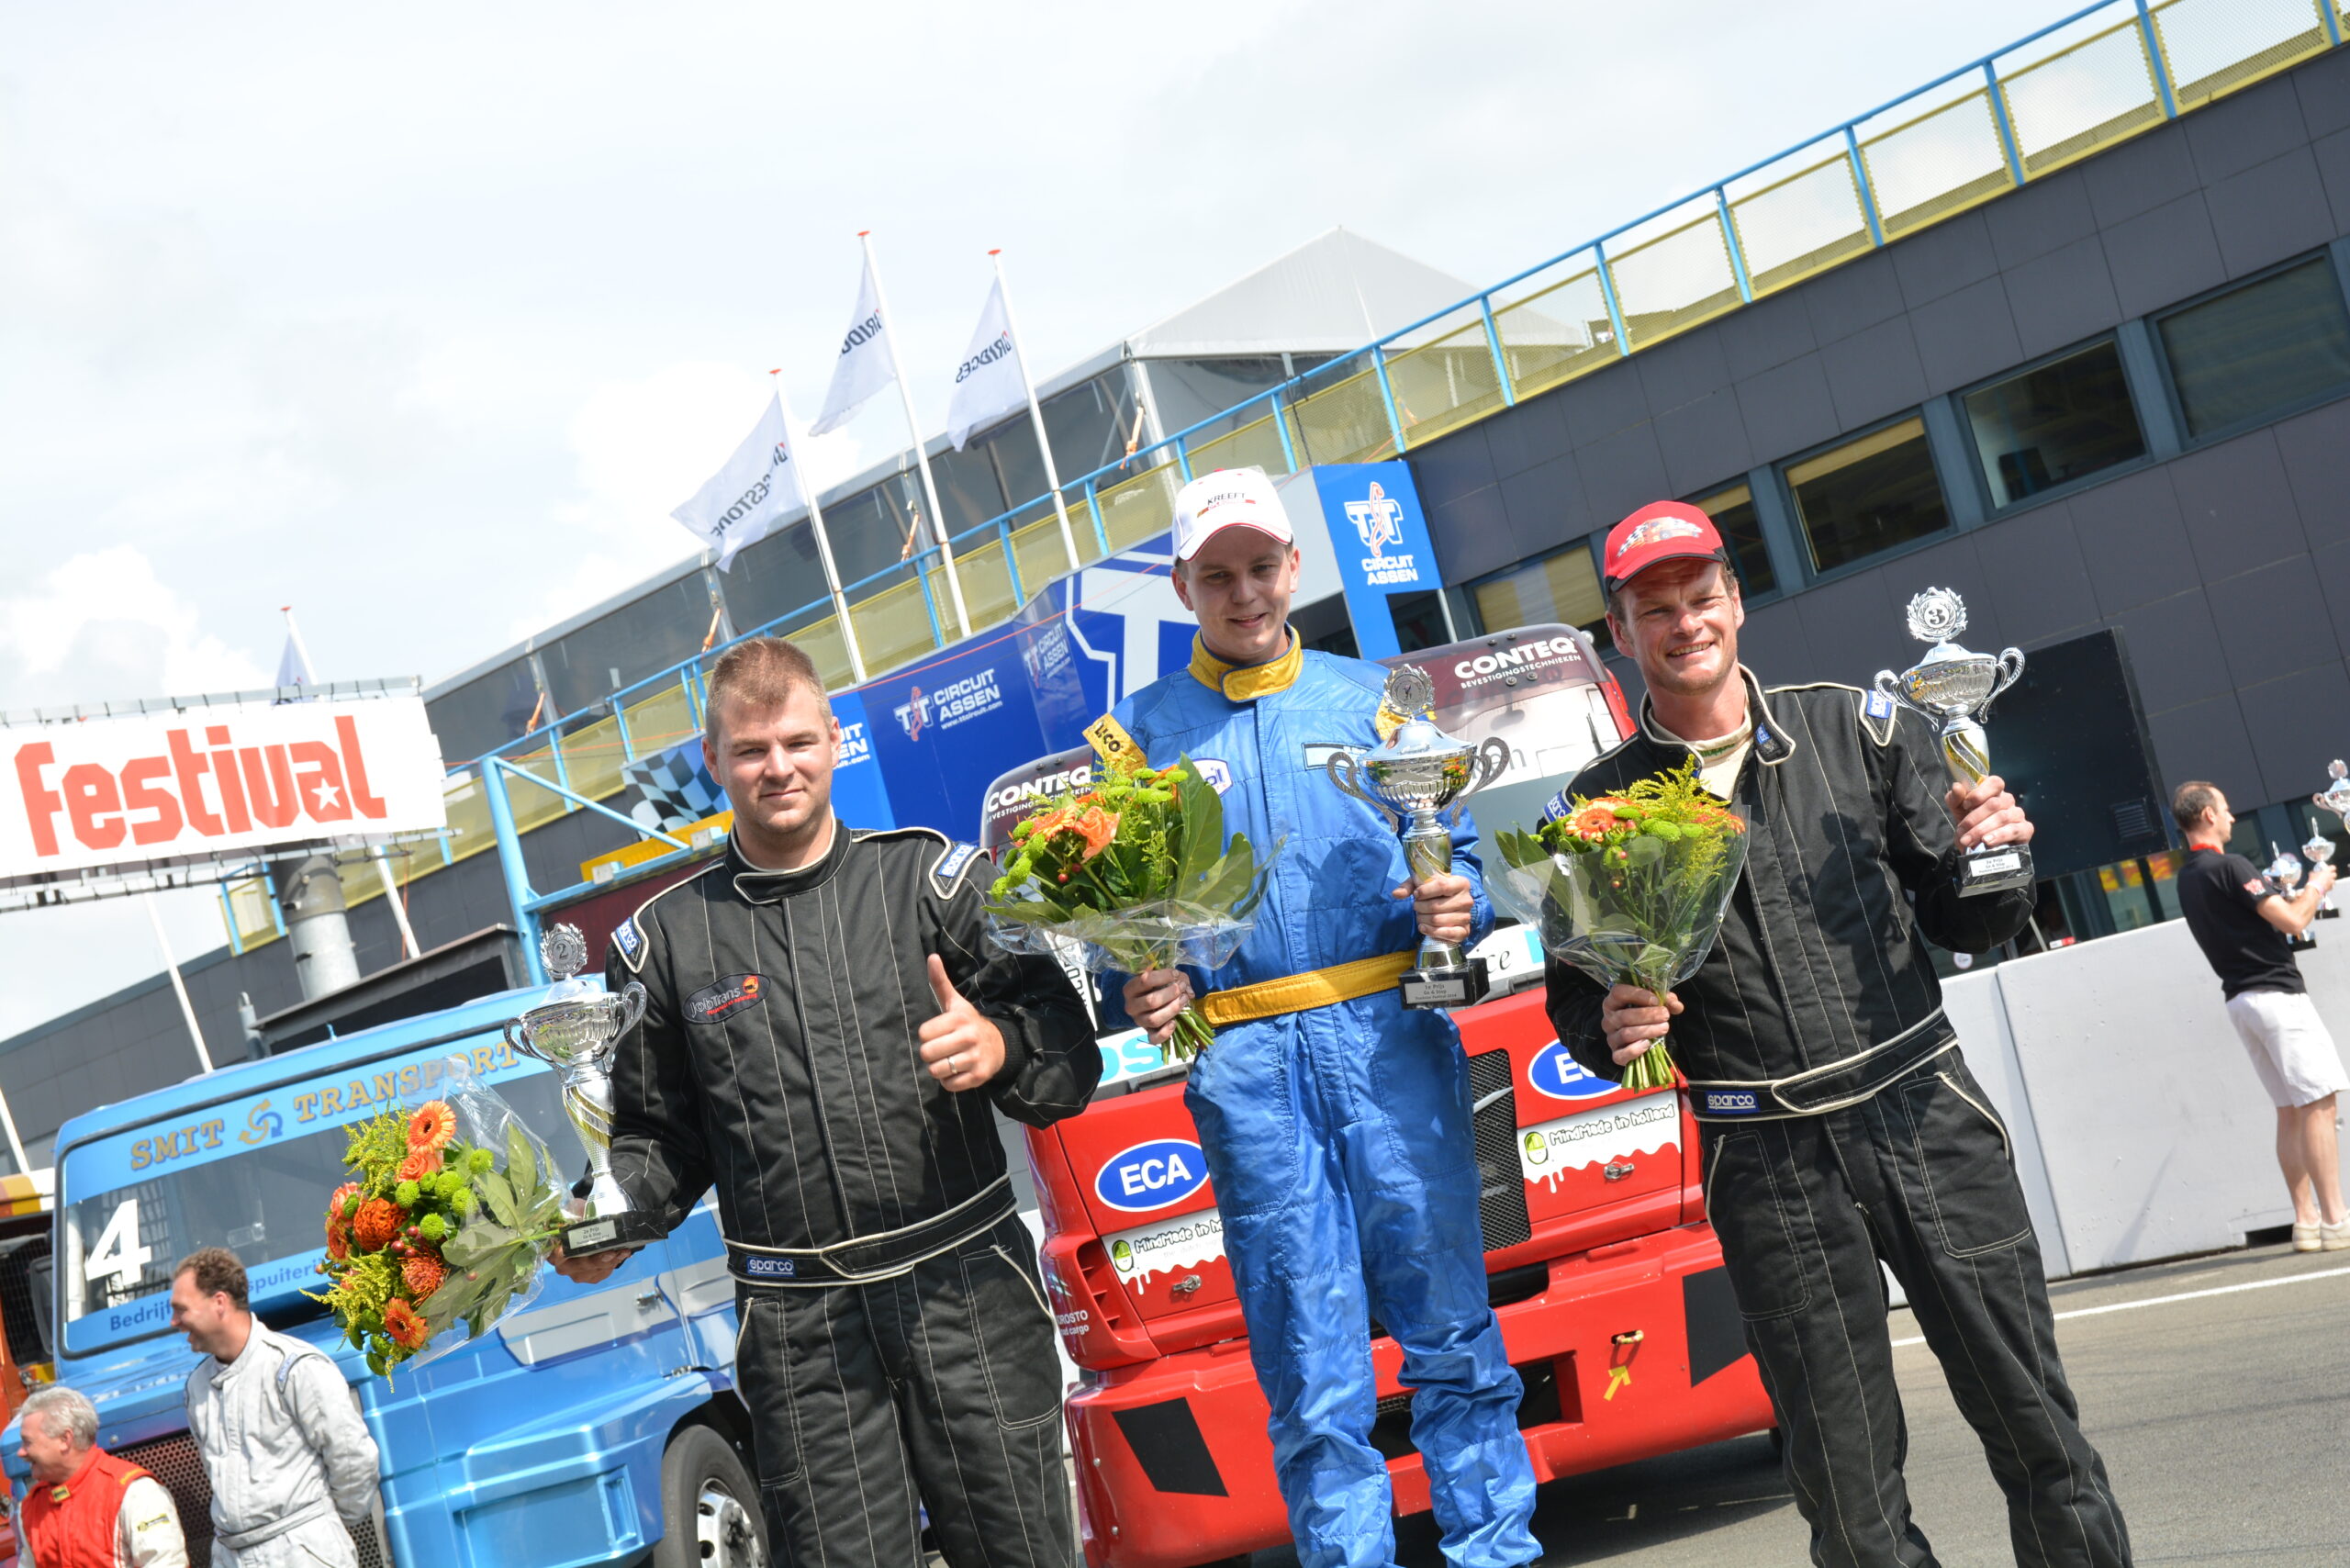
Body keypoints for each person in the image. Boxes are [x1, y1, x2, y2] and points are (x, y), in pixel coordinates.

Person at [1545, 501, 2133, 1568]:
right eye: (1655, 609)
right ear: (1619, 631)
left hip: (1921, 1109)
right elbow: (1578, 1000)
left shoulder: (1857, 728)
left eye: (1700, 597)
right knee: (1849, 1508)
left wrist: (1997, 856)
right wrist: (1610, 1023)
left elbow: (1967, 917)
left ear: (1736, 600)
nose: (1685, 623)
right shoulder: (1596, 811)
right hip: (1763, 1155)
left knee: (2039, 1434)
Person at [551, 635, 1100, 1568]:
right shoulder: (664, 944)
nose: (779, 768)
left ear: (835, 740)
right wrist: (606, 1221)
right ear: (712, 758)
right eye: (751, 750)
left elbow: (1067, 1061)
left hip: (966, 1292)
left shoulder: (935, 883)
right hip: (801, 1335)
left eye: (798, 742)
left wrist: (999, 1045)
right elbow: (657, 1141)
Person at [1110, 467, 1540, 1568]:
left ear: (1294, 567)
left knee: (1451, 1329)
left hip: (1393, 1041)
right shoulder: (1133, 737)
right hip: (1247, 1066)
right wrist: (1141, 978)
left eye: (1261, 567)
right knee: (1309, 1368)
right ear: (1181, 587)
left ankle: (1495, 1550)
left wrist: (1458, 900)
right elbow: (1117, 914)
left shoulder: (1377, 704)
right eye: (1216, 576)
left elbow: (1457, 862)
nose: (1243, 593)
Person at [2171, 781, 2349, 1250]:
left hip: (2241, 1001)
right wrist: (2316, 886)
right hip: (2277, 996)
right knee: (2318, 1103)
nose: (2232, 816)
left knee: (2289, 1110)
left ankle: (2306, 1221)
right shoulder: (2230, 865)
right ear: (2208, 815)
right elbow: (2292, 920)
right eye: (2226, 809)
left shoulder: (2187, 878)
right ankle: (2336, 1219)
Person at [173, 1248, 380, 1568]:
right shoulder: (196, 1387)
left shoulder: (295, 1366)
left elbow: (353, 1457)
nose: (174, 1322)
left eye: (181, 1310)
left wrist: (318, 1530)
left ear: (219, 1302)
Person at [16, 1384, 187, 1568]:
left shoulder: (135, 1493)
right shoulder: (31, 1506)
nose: (21, 1452)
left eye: (28, 1442)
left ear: (65, 1440)